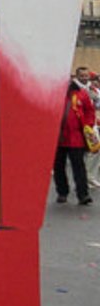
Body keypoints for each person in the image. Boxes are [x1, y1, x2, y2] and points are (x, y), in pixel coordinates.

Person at [55, 71, 95, 206]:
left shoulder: (81, 94)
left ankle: (83, 194)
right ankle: (62, 192)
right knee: (58, 166)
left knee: (79, 167)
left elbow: (90, 111)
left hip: (76, 137)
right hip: (58, 138)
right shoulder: (53, 94)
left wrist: (88, 126)